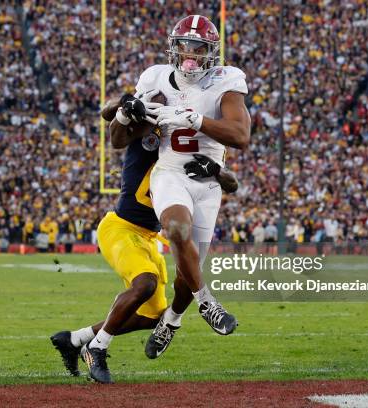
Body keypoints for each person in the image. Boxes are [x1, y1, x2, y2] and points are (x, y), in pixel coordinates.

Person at [50, 99, 238, 384]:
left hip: (150, 237)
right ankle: (96, 349)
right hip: (122, 227)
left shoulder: (196, 143)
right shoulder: (150, 126)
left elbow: (231, 182)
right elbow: (108, 113)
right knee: (145, 282)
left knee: (152, 317)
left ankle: (76, 339)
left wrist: (214, 170)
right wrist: (125, 104)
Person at [109, 15, 250, 349]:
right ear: (173, 47)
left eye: (198, 47)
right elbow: (118, 137)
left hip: (206, 180)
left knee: (186, 275)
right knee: (176, 230)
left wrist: (196, 119)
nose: (190, 53)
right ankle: (208, 303)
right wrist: (126, 112)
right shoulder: (156, 78)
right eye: (184, 45)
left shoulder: (225, 80)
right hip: (170, 171)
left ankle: (172, 321)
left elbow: (241, 136)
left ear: (211, 52)